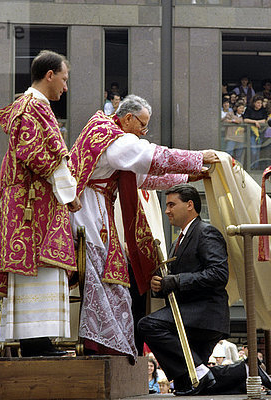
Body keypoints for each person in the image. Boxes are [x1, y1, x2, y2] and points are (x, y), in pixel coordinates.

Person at [68, 95, 218, 361]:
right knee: (107, 285)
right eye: (143, 125)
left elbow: (143, 176)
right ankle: (103, 347)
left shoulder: (106, 133)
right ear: (127, 118)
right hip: (89, 219)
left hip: (96, 216)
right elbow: (151, 156)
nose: (143, 132)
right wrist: (197, 158)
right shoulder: (111, 137)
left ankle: (108, 345)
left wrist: (186, 176)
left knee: (113, 286)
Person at [0, 50, 81, 357]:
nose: (65, 87)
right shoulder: (32, 107)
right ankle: (36, 343)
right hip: (31, 207)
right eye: (64, 78)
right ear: (49, 75)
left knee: (44, 269)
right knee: (38, 268)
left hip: (35, 202)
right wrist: (69, 194)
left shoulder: (33, 106)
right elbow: (37, 155)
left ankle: (41, 342)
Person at [138, 184, 231, 396]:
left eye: (172, 204)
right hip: (190, 313)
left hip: (204, 313)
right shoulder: (176, 242)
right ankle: (241, 374)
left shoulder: (206, 233)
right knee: (188, 384)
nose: (167, 210)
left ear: (190, 205)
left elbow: (218, 274)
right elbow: (176, 282)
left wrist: (174, 281)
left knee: (148, 325)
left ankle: (202, 374)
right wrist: (160, 286)